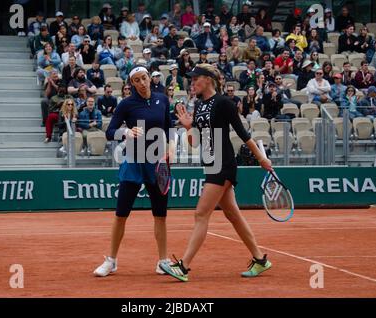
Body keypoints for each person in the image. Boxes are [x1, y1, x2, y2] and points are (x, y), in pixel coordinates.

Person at [159, 63, 273, 282]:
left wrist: (261, 158)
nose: (192, 83)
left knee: (201, 213)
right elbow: (194, 143)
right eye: (191, 80)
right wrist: (187, 126)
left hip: (224, 164)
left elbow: (243, 133)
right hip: (211, 164)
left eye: (195, 79)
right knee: (233, 214)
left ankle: (183, 267)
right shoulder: (200, 105)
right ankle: (260, 260)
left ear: (208, 80)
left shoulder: (224, 103)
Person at [93, 66, 173, 277]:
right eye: (137, 80)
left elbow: (169, 127)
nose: (142, 82)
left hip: (156, 164)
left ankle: (163, 261)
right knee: (121, 214)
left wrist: (171, 148)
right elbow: (109, 132)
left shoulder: (162, 100)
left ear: (150, 78)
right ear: (132, 84)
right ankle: (111, 260)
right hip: (133, 163)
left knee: (160, 216)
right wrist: (126, 131)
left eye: (144, 78)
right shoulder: (126, 105)